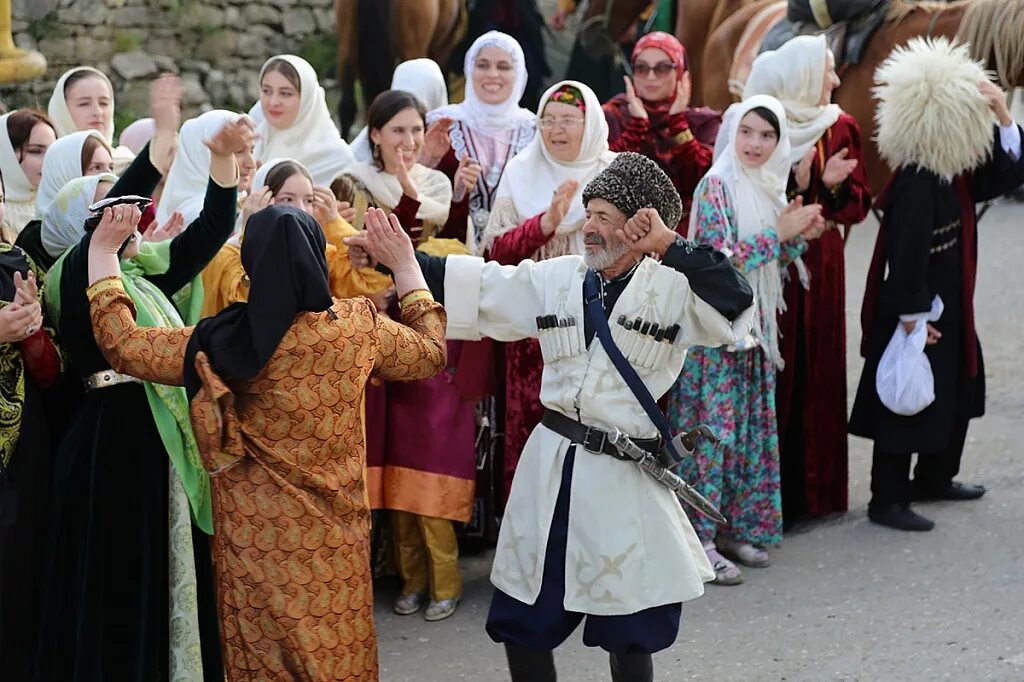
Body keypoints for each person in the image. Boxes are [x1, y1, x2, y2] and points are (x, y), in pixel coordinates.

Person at [350, 152, 755, 682]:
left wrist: (670, 247)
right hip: (552, 471)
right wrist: (398, 260)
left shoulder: (677, 291)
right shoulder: (559, 278)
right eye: (589, 213)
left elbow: (737, 302)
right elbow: (482, 283)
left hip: (623, 479)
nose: (589, 227)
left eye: (606, 217)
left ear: (642, 225)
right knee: (523, 618)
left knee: (630, 626)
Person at [85, 203, 447, 680]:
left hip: (253, 550)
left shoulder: (220, 343)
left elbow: (124, 346)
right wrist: (404, 265)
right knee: (339, 658)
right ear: (318, 256)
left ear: (251, 264)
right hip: (335, 547)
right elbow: (431, 352)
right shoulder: (357, 330)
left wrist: (104, 252)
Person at [34, 104, 251, 681]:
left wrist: (223, 160)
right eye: (111, 211)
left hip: (156, 446)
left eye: (129, 210)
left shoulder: (139, 271)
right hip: (111, 449)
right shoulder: (73, 271)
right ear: (87, 223)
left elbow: (207, 235)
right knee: (125, 575)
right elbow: (93, 246)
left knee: (168, 568)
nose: (132, 218)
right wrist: (155, 151)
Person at [850, 37, 1024, 531]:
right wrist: (912, 321)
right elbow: (904, 263)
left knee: (957, 388)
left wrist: (1001, 113)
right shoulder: (917, 184)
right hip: (918, 309)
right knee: (905, 398)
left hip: (950, 303)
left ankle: (934, 477)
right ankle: (887, 499)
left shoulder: (955, 172)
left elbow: (1009, 173)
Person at [667, 96, 824, 585]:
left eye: (768, 136)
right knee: (710, 438)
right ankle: (699, 539)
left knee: (746, 437)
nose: (756, 144)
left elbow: (768, 258)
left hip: (751, 335)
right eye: (748, 132)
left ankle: (733, 529)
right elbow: (718, 263)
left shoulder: (768, 187)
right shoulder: (717, 186)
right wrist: (778, 234)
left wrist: (797, 235)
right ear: (732, 132)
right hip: (715, 336)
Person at [339, 89, 477, 623]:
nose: (408, 141)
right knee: (392, 457)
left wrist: (408, 189)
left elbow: (442, 241)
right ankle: (411, 577)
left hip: (428, 321)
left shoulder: (437, 182)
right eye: (397, 130)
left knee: (428, 453)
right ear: (374, 134)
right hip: (378, 328)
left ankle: (444, 580)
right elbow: (360, 256)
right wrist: (399, 192)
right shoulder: (355, 185)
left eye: (416, 131)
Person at [742, 34, 872, 524]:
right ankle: (773, 498)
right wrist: (798, 184)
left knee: (817, 369)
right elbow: (749, 187)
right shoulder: (763, 126)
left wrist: (831, 188)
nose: (836, 80)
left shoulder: (841, 128)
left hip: (820, 264)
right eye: (827, 71)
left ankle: (815, 494)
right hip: (770, 264)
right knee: (779, 370)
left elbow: (858, 207)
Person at [480, 80, 616, 502]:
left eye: (569, 121)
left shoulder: (615, 172)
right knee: (533, 437)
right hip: (535, 336)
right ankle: (532, 550)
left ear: (590, 122)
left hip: (602, 328)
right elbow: (496, 255)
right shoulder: (521, 172)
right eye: (548, 121)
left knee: (598, 435)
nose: (556, 130)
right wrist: (543, 225)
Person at [201, 157, 390, 318]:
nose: (300, 209)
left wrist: (335, 224)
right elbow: (245, 301)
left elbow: (370, 283)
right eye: (287, 199)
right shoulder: (226, 255)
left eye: (308, 200)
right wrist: (253, 235)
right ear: (261, 202)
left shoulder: (316, 255)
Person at [0, 204, 62, 678]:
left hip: (22, 441)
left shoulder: (19, 262)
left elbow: (50, 370)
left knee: (19, 570)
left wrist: (32, 331)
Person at [427, 31, 536, 251]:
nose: (492, 74)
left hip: (515, 255)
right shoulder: (443, 123)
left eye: (503, 67)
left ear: (519, 74)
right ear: (469, 70)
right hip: (448, 249)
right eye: (483, 65)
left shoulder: (535, 129)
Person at [603, 32, 720, 226]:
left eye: (663, 68)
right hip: (620, 229)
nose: (650, 76)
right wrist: (637, 128)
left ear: (681, 73)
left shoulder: (703, 122)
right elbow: (601, 173)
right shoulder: (610, 116)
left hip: (683, 234)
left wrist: (678, 124)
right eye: (641, 68)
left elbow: (703, 182)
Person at [252, 54, 355, 186]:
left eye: (285, 93)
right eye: (266, 91)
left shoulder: (335, 157)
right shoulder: (251, 140)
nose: (273, 102)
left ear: (307, 99)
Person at [351, 58, 450, 164]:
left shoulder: (453, 140)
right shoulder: (365, 149)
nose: (409, 142)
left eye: (417, 129)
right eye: (398, 130)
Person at [47, 66, 134, 173]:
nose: (98, 112)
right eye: (84, 104)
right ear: (62, 109)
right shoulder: (45, 168)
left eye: (104, 103)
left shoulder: (129, 166)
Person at [0, 110, 58, 235]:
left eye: (53, 151)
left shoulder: (56, 207)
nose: (49, 160)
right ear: (5, 153)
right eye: (35, 151)